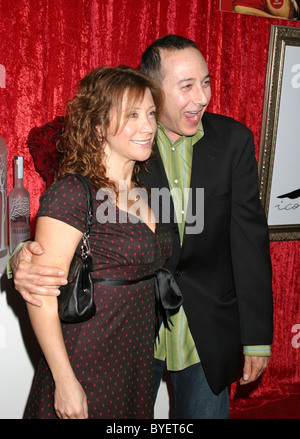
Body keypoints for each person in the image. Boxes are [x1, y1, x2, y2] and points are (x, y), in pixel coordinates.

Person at [9, 35, 273, 419]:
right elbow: (62, 201)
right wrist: (19, 256)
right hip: (123, 340)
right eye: (186, 86)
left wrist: (257, 339)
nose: (201, 97)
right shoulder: (125, 149)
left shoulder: (231, 141)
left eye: (206, 82)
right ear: (155, 88)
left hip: (205, 330)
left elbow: (249, 241)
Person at [19, 65, 174, 419]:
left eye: (151, 114)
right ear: (98, 124)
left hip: (134, 359)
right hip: (87, 361)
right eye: (132, 115)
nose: (148, 126)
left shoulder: (145, 191)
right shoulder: (73, 191)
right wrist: (64, 380)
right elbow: (40, 294)